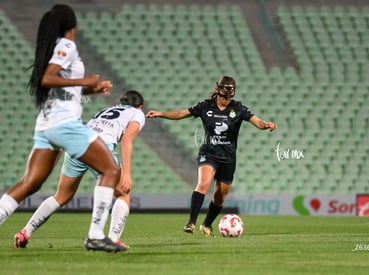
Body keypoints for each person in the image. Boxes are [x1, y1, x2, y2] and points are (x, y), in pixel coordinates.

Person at [0, 4, 123, 252]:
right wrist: (84, 80)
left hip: (46, 125)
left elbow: (59, 85)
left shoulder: (54, 47)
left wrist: (91, 89)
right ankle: (96, 235)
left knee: (29, 183)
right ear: (72, 25)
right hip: (64, 124)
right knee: (110, 169)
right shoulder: (67, 45)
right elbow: (48, 77)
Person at [14, 90, 146, 251]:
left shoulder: (105, 110)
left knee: (61, 196)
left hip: (78, 146)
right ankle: (113, 239)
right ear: (140, 106)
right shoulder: (137, 114)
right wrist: (126, 174)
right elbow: (126, 140)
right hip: (99, 148)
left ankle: (25, 232)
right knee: (123, 194)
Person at [146, 76, 276, 237]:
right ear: (218, 91)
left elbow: (257, 122)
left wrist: (267, 125)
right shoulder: (205, 106)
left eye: (230, 94)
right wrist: (160, 114)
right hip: (209, 153)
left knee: (220, 196)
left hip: (228, 157)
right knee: (203, 183)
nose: (227, 99)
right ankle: (191, 222)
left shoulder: (239, 108)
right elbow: (181, 113)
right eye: (224, 95)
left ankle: (206, 225)